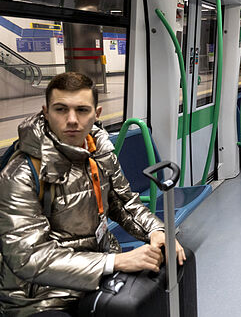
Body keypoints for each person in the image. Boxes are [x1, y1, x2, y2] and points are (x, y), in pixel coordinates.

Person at [0, 72, 186, 316]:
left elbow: (125, 203)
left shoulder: (99, 153)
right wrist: (114, 262)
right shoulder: (20, 175)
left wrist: (158, 231)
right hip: (42, 296)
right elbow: (28, 257)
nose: (72, 120)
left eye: (82, 110)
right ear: (46, 112)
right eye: (60, 110)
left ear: (96, 114)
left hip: (100, 271)